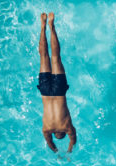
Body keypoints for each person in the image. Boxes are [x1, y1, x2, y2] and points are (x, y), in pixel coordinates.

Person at [37, 12, 76, 153]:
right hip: (45, 91)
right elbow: (49, 143)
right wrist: (56, 151)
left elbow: (73, 139)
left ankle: (51, 26)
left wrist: (69, 150)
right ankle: (42, 27)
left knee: (56, 57)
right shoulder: (46, 129)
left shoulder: (67, 127)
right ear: (55, 133)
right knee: (44, 57)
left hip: (59, 91)